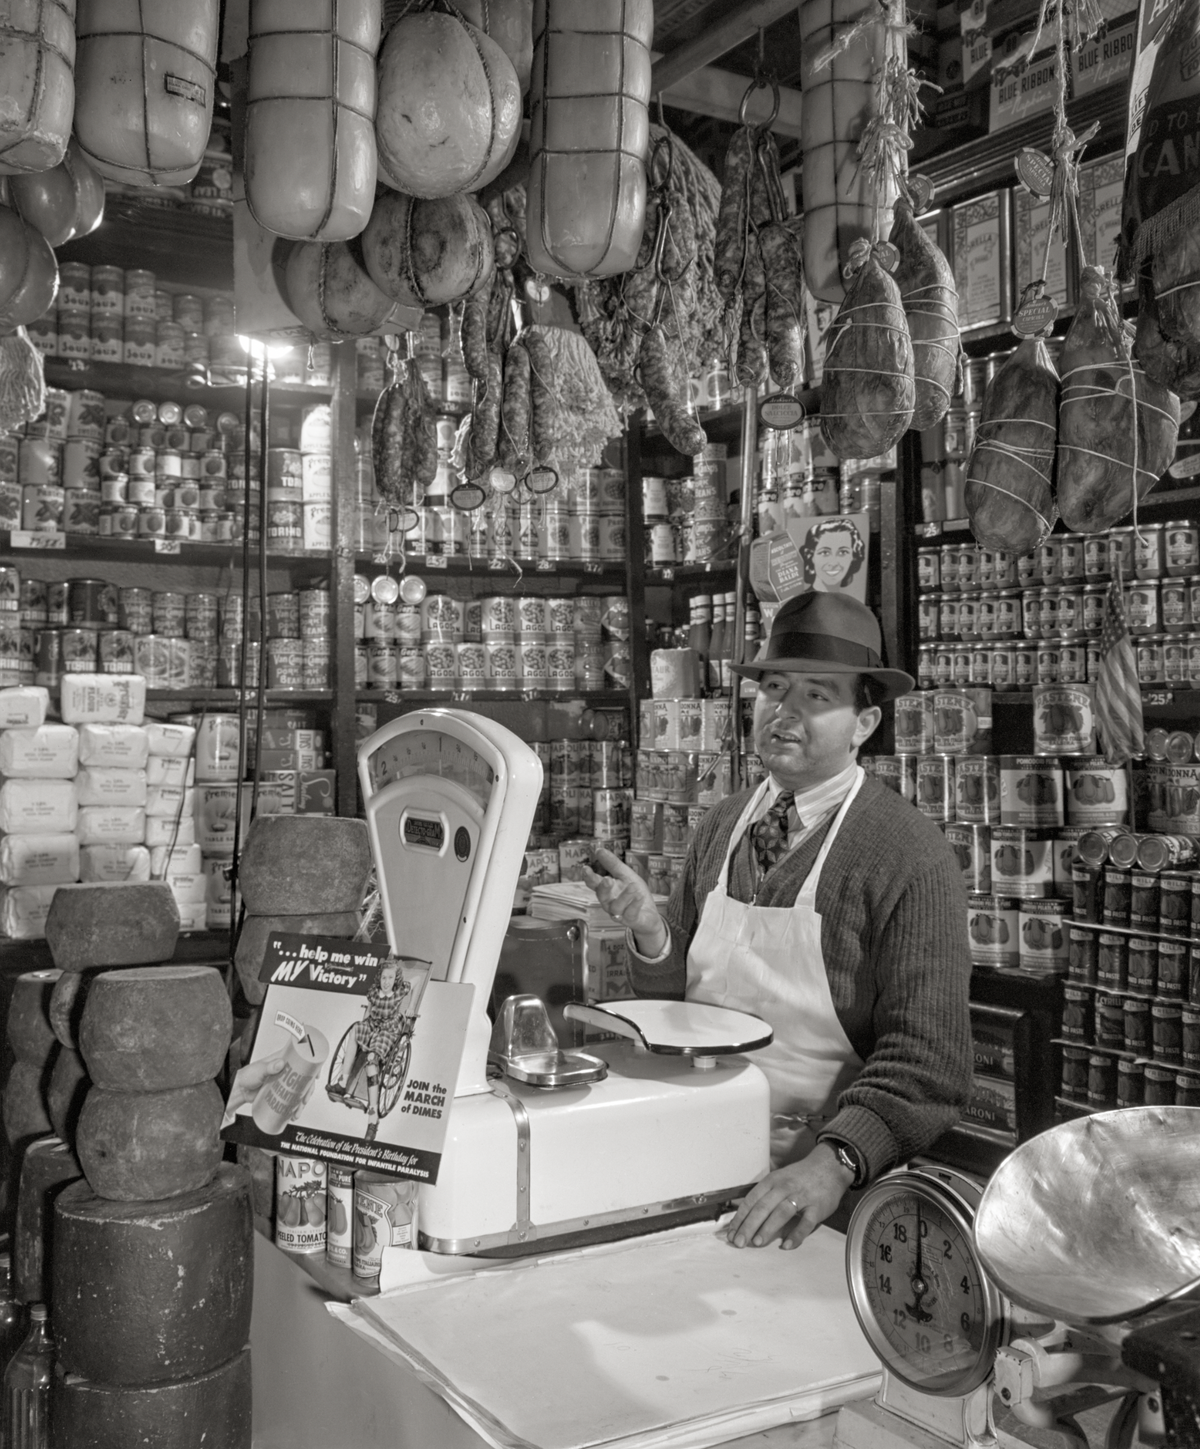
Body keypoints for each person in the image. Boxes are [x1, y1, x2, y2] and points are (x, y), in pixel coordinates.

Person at [582, 592, 972, 1252]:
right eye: (773, 688)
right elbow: (691, 998)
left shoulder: (907, 853)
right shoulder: (721, 825)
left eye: (817, 695)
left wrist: (832, 1164)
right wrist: (652, 930)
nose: (785, 710)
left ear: (865, 722)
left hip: (826, 1198)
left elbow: (928, 1061)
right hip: (694, 1158)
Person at [327, 958, 412, 1141]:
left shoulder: (397, 993)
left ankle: (373, 1119)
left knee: (372, 1061)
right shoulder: (374, 993)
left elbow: (409, 986)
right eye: (383, 977)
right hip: (372, 1026)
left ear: (395, 979)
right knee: (356, 1028)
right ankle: (342, 1084)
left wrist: (399, 974)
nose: (386, 981)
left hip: (388, 1030)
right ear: (379, 978)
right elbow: (370, 1007)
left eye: (390, 978)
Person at [801, 517, 866, 593]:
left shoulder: (851, 603)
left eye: (842, 552)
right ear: (811, 556)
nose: (833, 563)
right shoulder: (800, 603)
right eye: (825, 553)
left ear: (853, 556)